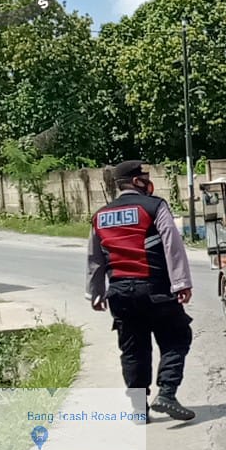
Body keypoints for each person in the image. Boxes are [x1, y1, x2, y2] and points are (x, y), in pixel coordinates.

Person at [87, 161, 196, 422]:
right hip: (156, 289)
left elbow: (95, 257)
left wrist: (96, 291)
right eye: (145, 177)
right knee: (176, 337)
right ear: (136, 181)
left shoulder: (100, 215)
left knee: (133, 349)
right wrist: (181, 283)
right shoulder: (155, 206)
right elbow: (172, 243)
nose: (149, 181)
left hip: (120, 293)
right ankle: (167, 394)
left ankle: (139, 409)